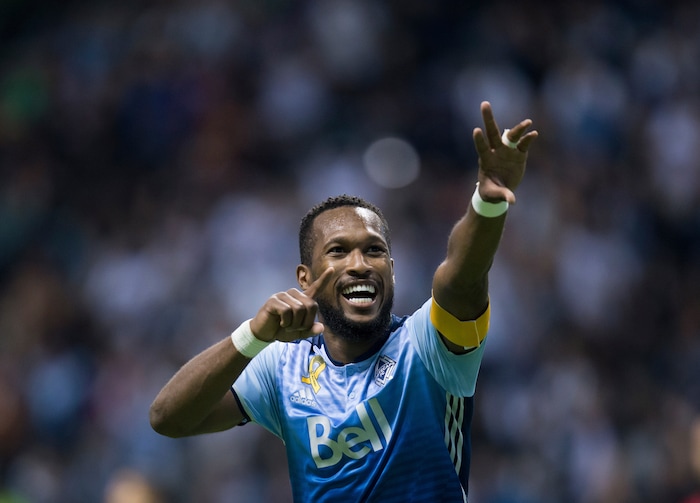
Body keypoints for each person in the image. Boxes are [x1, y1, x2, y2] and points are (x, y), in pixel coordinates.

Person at [149, 101, 537, 502]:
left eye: (374, 250)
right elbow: (168, 418)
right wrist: (252, 336)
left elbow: (461, 278)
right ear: (306, 278)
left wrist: (486, 203)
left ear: (392, 268)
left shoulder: (428, 346)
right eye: (338, 251)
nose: (360, 264)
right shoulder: (282, 367)